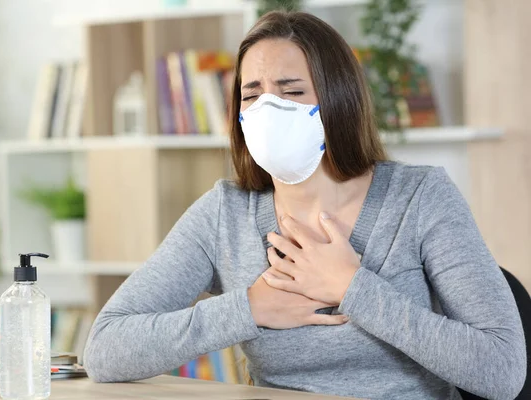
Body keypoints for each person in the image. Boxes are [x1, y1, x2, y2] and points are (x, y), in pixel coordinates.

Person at [83, 11, 526, 400]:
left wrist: (354, 288)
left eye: (291, 91)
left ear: (338, 101)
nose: (267, 108)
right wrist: (248, 309)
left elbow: (503, 370)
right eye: (252, 93)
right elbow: (106, 349)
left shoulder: (420, 197)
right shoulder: (224, 213)